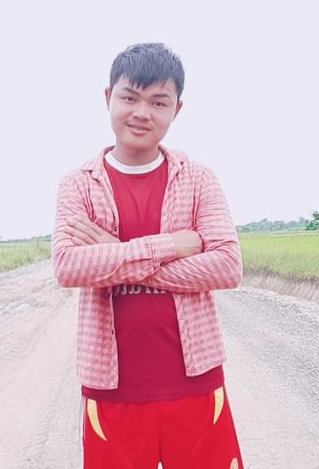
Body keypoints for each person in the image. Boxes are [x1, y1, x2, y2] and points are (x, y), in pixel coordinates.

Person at [51, 42, 245, 469]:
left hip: (196, 382)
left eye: (158, 102)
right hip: (112, 390)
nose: (142, 112)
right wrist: (169, 245)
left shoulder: (198, 179)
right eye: (129, 98)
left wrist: (114, 257)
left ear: (177, 109)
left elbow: (228, 266)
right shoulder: (78, 184)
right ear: (108, 98)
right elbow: (67, 265)